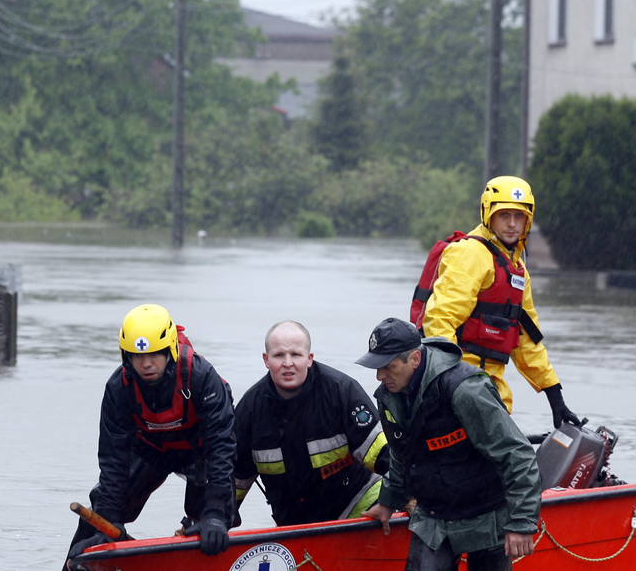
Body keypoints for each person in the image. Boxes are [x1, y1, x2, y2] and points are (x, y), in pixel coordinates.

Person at [357, 318, 542, 571]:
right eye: (377, 368)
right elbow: (402, 454)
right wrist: (389, 500)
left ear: (414, 359)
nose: (380, 376)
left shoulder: (465, 389)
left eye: (388, 367)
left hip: (487, 512)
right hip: (433, 515)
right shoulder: (389, 394)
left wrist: (521, 522)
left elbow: (516, 454)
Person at [65, 304, 235, 570]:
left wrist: (215, 513)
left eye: (155, 354)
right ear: (125, 356)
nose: (146, 364)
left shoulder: (202, 377)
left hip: (200, 450)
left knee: (213, 520)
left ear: (170, 350)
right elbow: (113, 460)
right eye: (136, 356)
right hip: (150, 448)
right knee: (98, 515)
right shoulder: (118, 388)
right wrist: (108, 519)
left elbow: (222, 449)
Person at [420, 175, 579, 428]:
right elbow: (440, 319)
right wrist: (451, 380)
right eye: (504, 215)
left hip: (492, 390)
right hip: (457, 387)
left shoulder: (517, 270)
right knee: (511, 458)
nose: (512, 224)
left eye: (519, 216)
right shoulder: (470, 254)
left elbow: (528, 340)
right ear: (488, 214)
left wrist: (554, 396)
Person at [232, 320, 389, 526]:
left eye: (296, 354)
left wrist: (394, 500)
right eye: (279, 355)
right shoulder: (249, 410)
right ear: (266, 359)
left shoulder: (342, 392)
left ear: (309, 358)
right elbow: (232, 483)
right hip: (296, 525)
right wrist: (209, 520)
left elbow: (386, 458)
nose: (288, 363)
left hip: (359, 509)